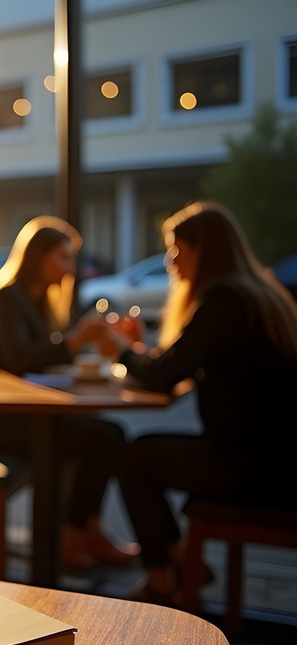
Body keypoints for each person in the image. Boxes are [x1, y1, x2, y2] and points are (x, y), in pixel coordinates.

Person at [109, 201, 297, 604]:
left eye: (177, 250)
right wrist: (142, 351)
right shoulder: (255, 295)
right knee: (140, 455)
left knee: (131, 458)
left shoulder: (225, 300)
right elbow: (178, 365)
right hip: (276, 460)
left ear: (204, 251)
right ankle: (179, 559)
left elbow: (165, 374)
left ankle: (162, 582)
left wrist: (121, 350)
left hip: (252, 467)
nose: (170, 261)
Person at [0, 216, 137, 568]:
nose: (70, 268)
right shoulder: (8, 297)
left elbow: (39, 361)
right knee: (105, 438)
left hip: (26, 412)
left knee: (106, 433)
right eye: (63, 257)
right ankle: (72, 536)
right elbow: (18, 360)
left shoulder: (38, 300)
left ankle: (82, 531)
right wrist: (75, 341)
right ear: (37, 257)